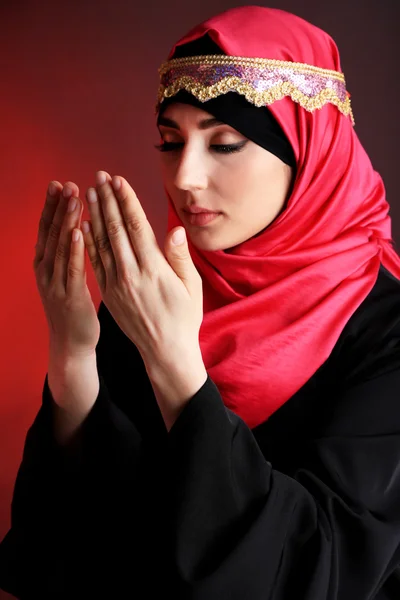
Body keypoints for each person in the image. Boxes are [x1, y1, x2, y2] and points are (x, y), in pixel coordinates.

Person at [1, 5, 400, 598]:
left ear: (310, 153)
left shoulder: (386, 332)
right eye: (170, 141)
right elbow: (70, 545)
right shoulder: (149, 294)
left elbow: (320, 571)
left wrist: (177, 369)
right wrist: (74, 357)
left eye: (226, 143)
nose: (184, 176)